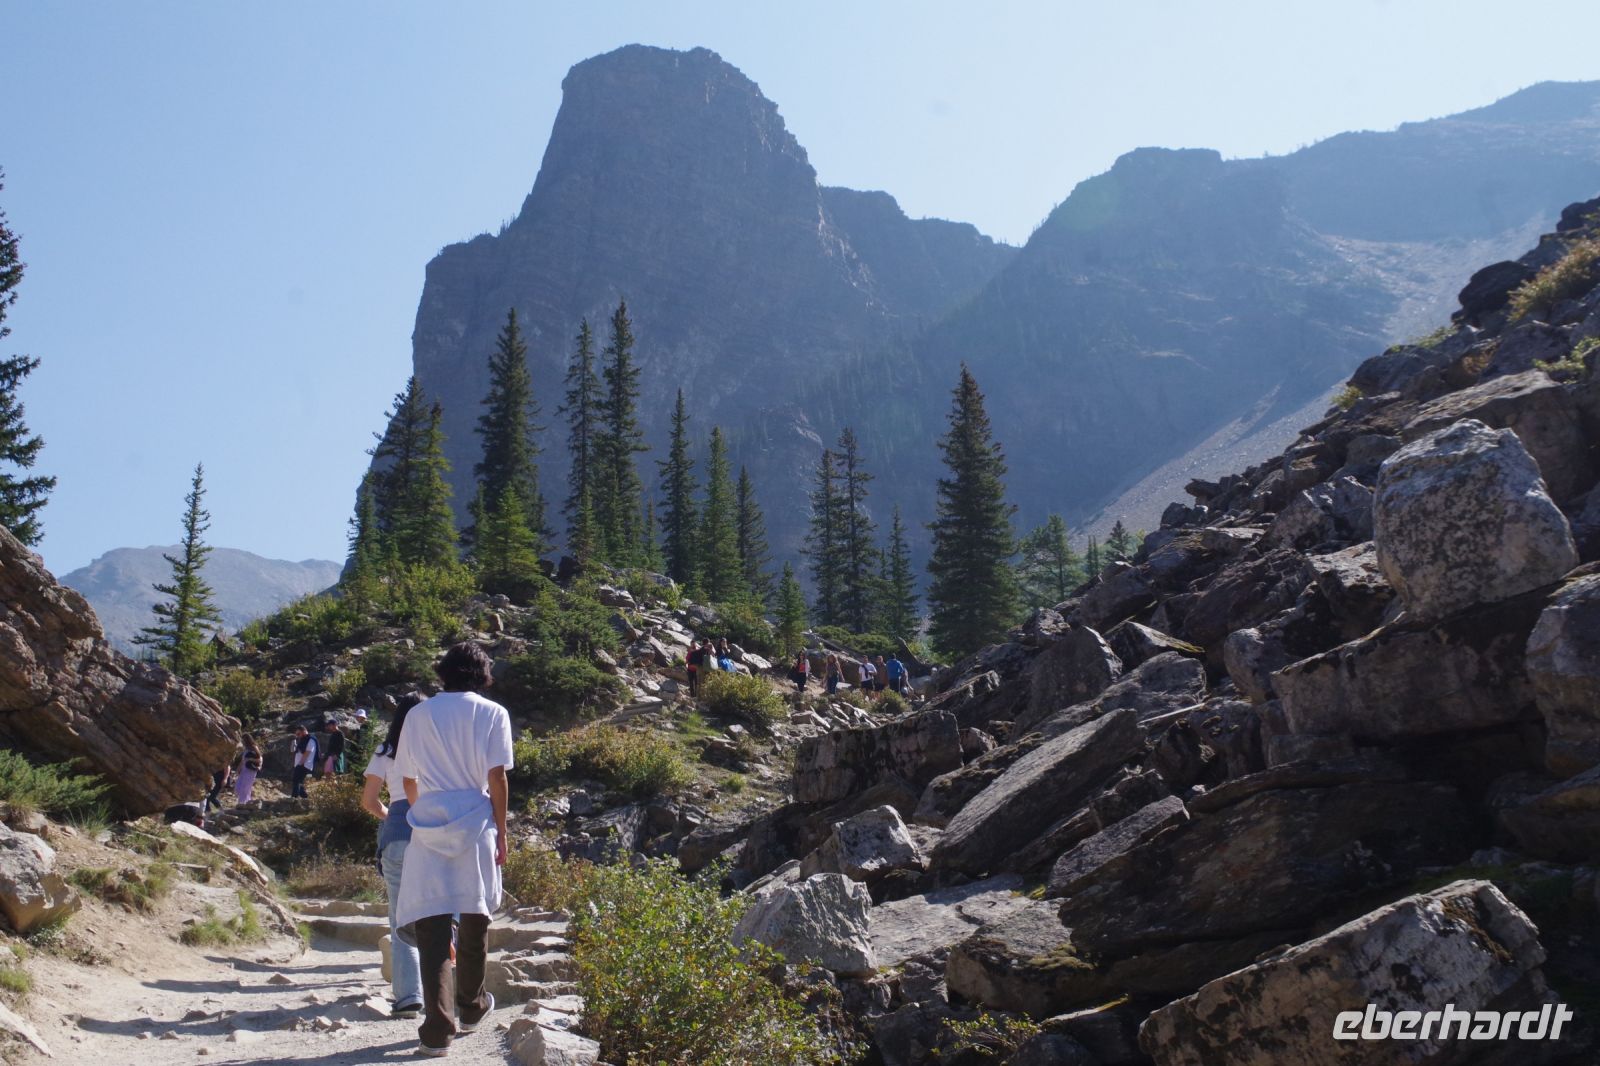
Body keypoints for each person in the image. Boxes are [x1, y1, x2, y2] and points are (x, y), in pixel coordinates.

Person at [394, 642, 513, 1058]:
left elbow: (408, 778)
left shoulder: (418, 714)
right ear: (482, 675)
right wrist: (502, 829)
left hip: (428, 823)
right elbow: (496, 778)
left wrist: (424, 809)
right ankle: (472, 1006)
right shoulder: (493, 713)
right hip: (476, 820)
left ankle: (437, 1030)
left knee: (432, 927)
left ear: (443, 672)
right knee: (476, 917)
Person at [361, 705, 423, 1020]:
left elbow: (368, 800)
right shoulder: (434, 744)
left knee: (400, 920)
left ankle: (409, 997)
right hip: (433, 832)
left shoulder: (385, 750)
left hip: (397, 833)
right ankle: (444, 991)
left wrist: (391, 817)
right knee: (435, 916)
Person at [234, 734, 262, 805]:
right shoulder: (246, 749)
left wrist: (250, 759)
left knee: (245, 787)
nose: (242, 741)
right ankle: (246, 802)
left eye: (243, 739)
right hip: (244, 769)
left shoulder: (254, 747)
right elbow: (243, 761)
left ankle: (243, 803)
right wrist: (238, 770)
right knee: (238, 786)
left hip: (250, 770)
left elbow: (259, 759)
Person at [291, 726, 318, 798]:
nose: (298, 736)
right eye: (296, 734)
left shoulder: (310, 740)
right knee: (300, 781)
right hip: (300, 764)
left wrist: (300, 763)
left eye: (299, 734)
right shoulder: (303, 740)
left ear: (304, 731)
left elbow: (307, 752)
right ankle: (304, 796)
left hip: (304, 764)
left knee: (296, 780)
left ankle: (294, 797)